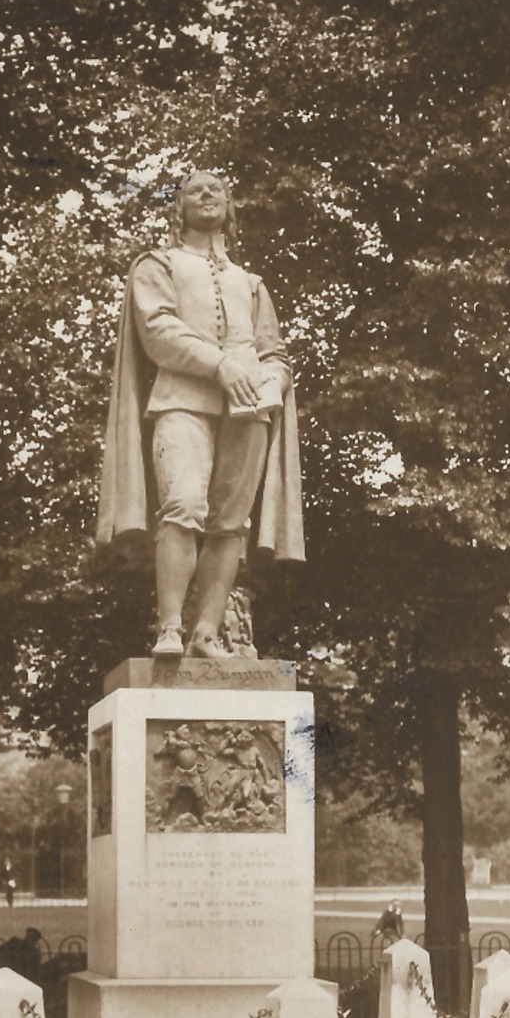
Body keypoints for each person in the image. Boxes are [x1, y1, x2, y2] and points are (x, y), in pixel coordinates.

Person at [96, 170, 304, 658]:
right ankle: (169, 628)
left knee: (231, 525)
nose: (207, 194)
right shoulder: (158, 264)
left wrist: (272, 380)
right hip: (182, 402)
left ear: (230, 206)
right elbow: (159, 331)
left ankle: (206, 633)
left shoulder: (251, 284)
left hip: (249, 412)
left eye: (217, 189)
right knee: (184, 505)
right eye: (194, 189)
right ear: (180, 207)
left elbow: (274, 352)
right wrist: (220, 365)